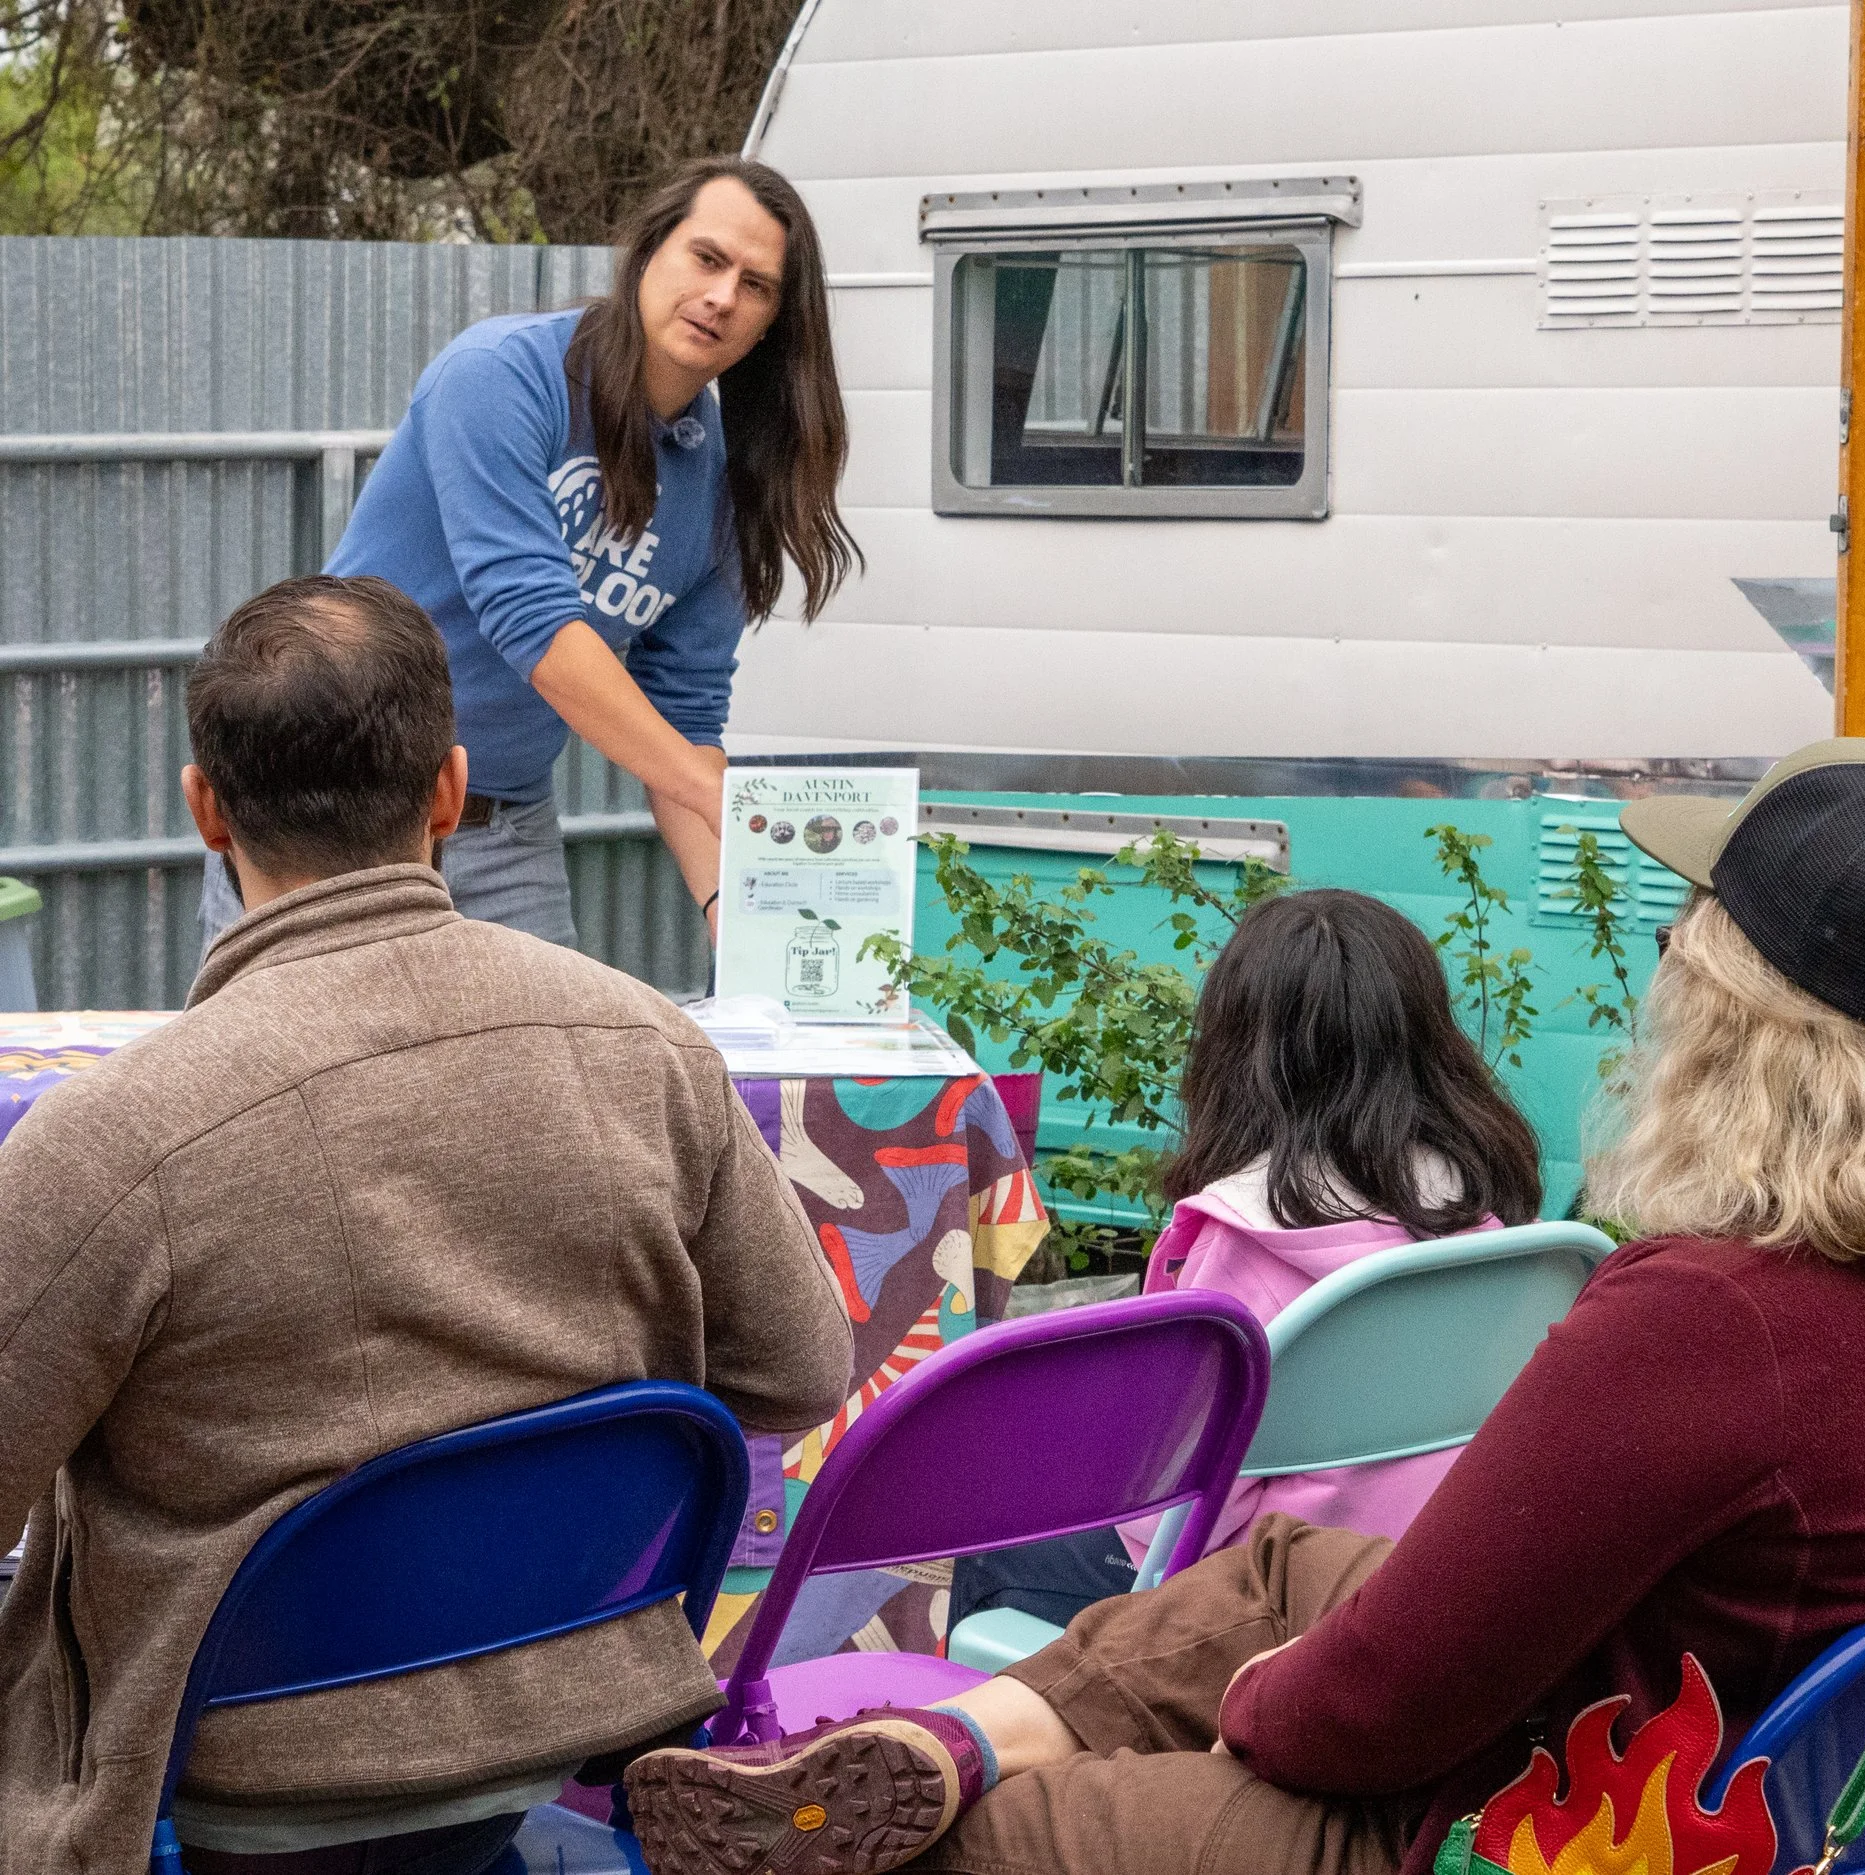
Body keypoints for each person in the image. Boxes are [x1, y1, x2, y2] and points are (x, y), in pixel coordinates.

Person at [623, 736, 1865, 1875]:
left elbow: (1376, 1719)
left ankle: (951, 1788)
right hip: (1760, 1778)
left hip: (1550, 1824)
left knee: (1017, 1833)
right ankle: (944, 1737)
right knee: (1274, 1564)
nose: (1666, 957)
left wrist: (1253, 1708)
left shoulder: (1713, 1321)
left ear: (1744, 1017)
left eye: (1690, 927)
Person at [0, 575, 854, 1874]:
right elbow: (802, 1368)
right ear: (450, 791)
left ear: (204, 808)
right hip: (572, 1712)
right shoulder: (649, 1045)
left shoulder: (112, 1137)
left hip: (238, 1769)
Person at [198, 156, 859, 955]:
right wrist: (717, 792)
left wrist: (733, 910)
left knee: (542, 1071)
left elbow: (686, 716)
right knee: (292, 1068)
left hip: (503, 824)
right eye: (708, 258)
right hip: (330, 808)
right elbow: (530, 619)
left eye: (755, 286)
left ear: (771, 325)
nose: (722, 296)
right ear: (650, 252)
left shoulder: (723, 484)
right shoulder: (502, 374)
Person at [950, 889, 1545, 1629]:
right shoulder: (1498, 1226)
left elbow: (1173, 1523)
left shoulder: (1239, 1237)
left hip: (1268, 1604)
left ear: (1240, 1055)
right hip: (1436, 1586)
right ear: (1429, 1041)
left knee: (995, 1539)